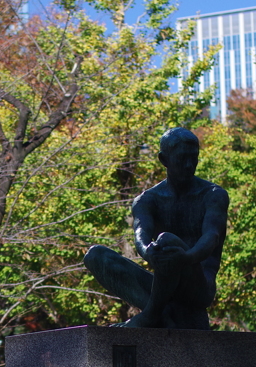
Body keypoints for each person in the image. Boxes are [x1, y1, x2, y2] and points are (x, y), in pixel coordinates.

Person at [84, 127, 229, 330]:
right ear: (164, 159)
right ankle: (164, 312)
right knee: (95, 256)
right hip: (162, 286)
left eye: (193, 158)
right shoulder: (147, 200)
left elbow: (211, 237)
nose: (189, 165)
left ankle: (150, 315)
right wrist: (148, 251)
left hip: (197, 288)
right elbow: (140, 234)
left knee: (167, 240)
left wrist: (186, 258)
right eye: (181, 159)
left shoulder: (213, 195)